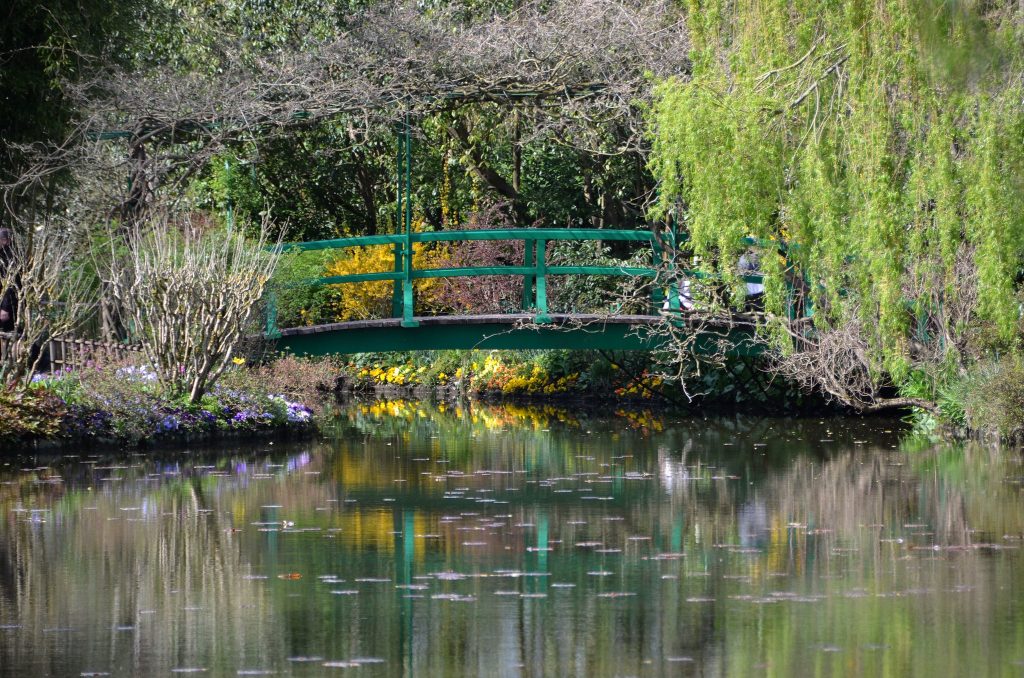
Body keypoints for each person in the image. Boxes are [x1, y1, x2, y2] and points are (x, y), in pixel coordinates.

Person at [0, 229, 17, 332]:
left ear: (5, 240)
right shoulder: (2, 254)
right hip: (4, 299)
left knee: (7, 331)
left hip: (8, 302)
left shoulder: (11, 256)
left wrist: (5, 307)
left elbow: (11, 283)